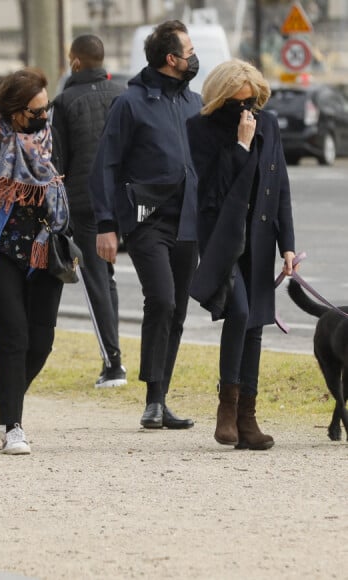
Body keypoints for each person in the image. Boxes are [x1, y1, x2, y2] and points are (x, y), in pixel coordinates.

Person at [89, 20, 200, 431]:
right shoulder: (130, 103)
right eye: (189, 52)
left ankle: (161, 400)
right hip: (146, 221)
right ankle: (152, 399)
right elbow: (105, 166)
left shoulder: (195, 102)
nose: (193, 58)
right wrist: (106, 224)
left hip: (189, 222)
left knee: (178, 312)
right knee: (163, 301)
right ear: (171, 59)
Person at [186, 59, 297, 450]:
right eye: (237, 103)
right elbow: (211, 190)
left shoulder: (268, 124)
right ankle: (227, 409)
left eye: (251, 102)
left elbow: (279, 185)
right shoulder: (199, 128)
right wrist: (241, 145)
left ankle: (247, 418)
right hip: (221, 236)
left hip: (261, 237)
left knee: (255, 324)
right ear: (220, 98)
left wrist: (288, 244)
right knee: (239, 311)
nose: (246, 111)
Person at [0, 68, 66, 455]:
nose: (43, 116)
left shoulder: (54, 140)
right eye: (36, 111)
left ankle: (7, 392)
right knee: (14, 337)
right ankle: (12, 426)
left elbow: (72, 187)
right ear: (16, 111)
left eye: (46, 107)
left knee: (43, 341)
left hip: (44, 251)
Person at [51, 34, 127, 389]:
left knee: (96, 280)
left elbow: (58, 161)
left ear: (76, 61)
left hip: (84, 205)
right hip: (122, 201)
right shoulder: (122, 95)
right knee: (107, 278)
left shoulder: (65, 101)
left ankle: (112, 364)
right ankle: (116, 358)